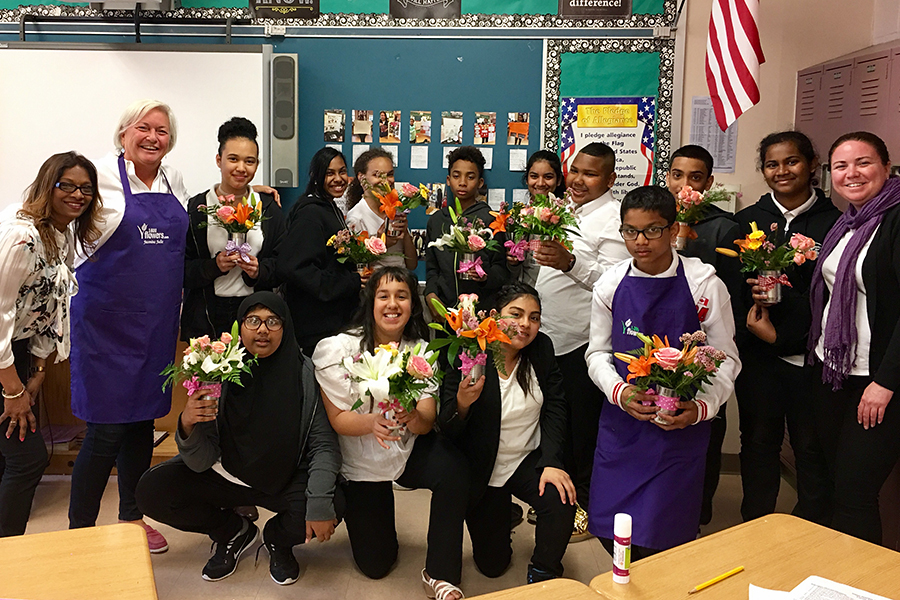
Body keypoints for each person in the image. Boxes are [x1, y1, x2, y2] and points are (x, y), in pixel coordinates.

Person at [136, 292, 340, 585]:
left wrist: (319, 504)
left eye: (273, 321)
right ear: (239, 326)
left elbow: (323, 444)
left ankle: (277, 540)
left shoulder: (306, 375)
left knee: (333, 502)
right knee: (152, 491)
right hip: (225, 471)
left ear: (286, 327)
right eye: (253, 320)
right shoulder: (220, 371)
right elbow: (200, 461)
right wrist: (187, 423)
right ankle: (232, 531)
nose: (262, 329)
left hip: (284, 476)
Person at [585, 186, 740, 559]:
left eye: (653, 230)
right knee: (609, 523)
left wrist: (701, 408)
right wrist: (620, 392)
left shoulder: (704, 285)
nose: (640, 241)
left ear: (673, 231)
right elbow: (597, 354)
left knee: (662, 530)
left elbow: (727, 358)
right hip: (623, 422)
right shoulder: (609, 284)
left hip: (678, 427)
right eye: (630, 231)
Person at [67, 100, 190, 551]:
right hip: (105, 327)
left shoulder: (172, 179)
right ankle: (78, 531)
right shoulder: (94, 176)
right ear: (124, 134)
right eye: (144, 128)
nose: (153, 137)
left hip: (154, 325)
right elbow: (50, 209)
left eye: (162, 131)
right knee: (105, 430)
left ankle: (131, 518)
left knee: (141, 423)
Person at [314, 267, 469, 600]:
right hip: (361, 459)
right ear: (370, 301)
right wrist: (371, 423)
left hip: (406, 448)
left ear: (413, 304)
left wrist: (411, 415)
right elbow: (339, 418)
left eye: (402, 296)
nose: (392, 304)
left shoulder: (419, 350)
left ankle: (440, 573)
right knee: (376, 565)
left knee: (453, 470)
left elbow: (427, 419)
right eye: (383, 295)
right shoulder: (339, 349)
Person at [438, 282, 576, 583]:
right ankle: (502, 512)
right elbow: (446, 428)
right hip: (482, 467)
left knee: (560, 498)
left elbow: (555, 406)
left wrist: (552, 461)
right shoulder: (469, 351)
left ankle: (544, 569)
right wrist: (462, 402)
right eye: (516, 314)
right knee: (492, 566)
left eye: (534, 317)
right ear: (494, 316)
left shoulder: (541, 349)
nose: (525, 324)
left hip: (525, 460)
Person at [734, 132, 838, 525]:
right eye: (772, 164)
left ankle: (810, 527)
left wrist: (789, 336)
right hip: (760, 357)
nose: (782, 171)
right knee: (759, 443)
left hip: (811, 358)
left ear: (812, 164)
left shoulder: (836, 224)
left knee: (811, 448)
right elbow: (733, 290)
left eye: (792, 161)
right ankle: (755, 524)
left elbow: (836, 298)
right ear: (763, 171)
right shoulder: (747, 223)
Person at [0, 152, 101, 537]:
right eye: (68, 185)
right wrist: (12, 389)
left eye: (86, 189)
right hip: (3, 357)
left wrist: (39, 371)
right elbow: (0, 315)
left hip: (20, 355)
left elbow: (50, 306)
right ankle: (8, 561)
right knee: (27, 460)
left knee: (9, 458)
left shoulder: (61, 233)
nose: (78, 195)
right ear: (48, 185)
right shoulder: (21, 236)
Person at [533, 143, 630, 540]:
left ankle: (585, 510)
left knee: (581, 430)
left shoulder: (613, 219)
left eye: (590, 174)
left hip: (580, 341)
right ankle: (558, 503)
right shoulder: (569, 209)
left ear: (609, 179)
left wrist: (570, 261)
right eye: (575, 170)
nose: (578, 179)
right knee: (555, 424)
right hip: (549, 335)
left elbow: (615, 284)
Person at [808, 131, 900, 545]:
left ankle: (858, 586)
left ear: (886, 167)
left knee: (855, 493)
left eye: (863, 163)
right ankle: (831, 575)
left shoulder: (894, 219)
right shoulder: (849, 221)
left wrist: (885, 382)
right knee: (832, 482)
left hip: (878, 381)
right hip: (835, 373)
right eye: (841, 166)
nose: (852, 173)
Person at [664, 144, 742, 526]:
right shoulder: (657, 220)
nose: (684, 185)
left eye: (695, 178)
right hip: (659, 348)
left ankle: (700, 506)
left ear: (708, 183)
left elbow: (729, 300)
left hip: (705, 347)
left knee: (706, 422)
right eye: (677, 175)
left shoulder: (724, 227)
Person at [181, 116, 286, 340]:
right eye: (233, 159)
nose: (241, 168)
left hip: (256, 317)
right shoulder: (197, 208)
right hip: (206, 317)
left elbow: (283, 265)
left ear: (257, 164)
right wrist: (214, 266)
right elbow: (182, 269)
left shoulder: (267, 207)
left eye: (249, 161)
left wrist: (259, 271)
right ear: (219, 160)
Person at [276, 147, 361, 355]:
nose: (338, 179)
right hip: (315, 327)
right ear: (317, 176)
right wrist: (351, 281)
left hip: (332, 321)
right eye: (329, 173)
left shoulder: (331, 208)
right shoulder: (311, 213)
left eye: (342, 171)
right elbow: (297, 269)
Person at [425, 146, 510, 318]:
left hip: (481, 312)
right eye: (456, 176)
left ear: (480, 183)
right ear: (448, 180)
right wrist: (431, 294)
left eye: (470, 177)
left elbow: (501, 270)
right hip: (446, 311)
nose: (462, 182)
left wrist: (485, 277)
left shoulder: (490, 219)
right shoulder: (436, 220)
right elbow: (432, 269)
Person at [346, 147, 418, 270]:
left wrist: (405, 233)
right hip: (375, 285)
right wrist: (383, 243)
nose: (385, 181)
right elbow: (357, 267)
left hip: (401, 280)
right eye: (377, 175)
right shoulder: (356, 217)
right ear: (361, 177)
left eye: (389, 175)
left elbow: (412, 265)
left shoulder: (396, 210)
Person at [507, 150, 567, 287]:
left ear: (558, 181)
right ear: (527, 179)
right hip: (525, 293)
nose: (540, 183)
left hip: (556, 292)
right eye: (534, 176)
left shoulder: (565, 217)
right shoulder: (517, 216)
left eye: (548, 177)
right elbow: (512, 273)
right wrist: (513, 263)